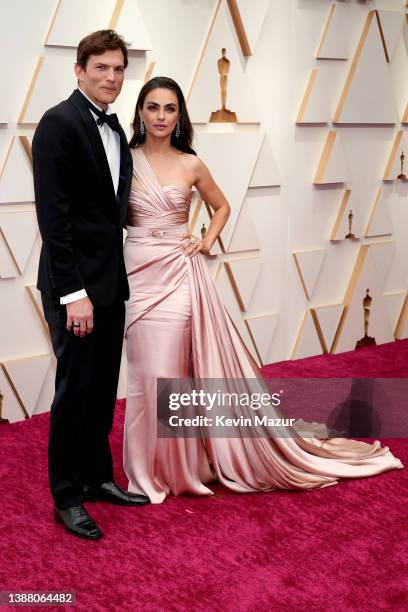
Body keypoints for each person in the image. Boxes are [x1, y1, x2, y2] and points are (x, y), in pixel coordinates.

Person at [123, 76, 403, 504]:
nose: (161, 116)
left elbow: (222, 207)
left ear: (180, 116)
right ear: (140, 112)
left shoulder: (190, 163)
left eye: (170, 109)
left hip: (179, 276)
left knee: (171, 373)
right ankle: (144, 469)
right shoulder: (123, 161)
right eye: (153, 107)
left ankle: (180, 467)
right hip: (138, 273)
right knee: (144, 378)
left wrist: (205, 240)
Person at [32, 30, 149, 541]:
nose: (111, 77)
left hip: (110, 284)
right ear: (78, 70)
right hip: (74, 286)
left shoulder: (117, 129)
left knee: (102, 391)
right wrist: (73, 293)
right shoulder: (59, 124)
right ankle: (67, 495)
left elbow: (110, 214)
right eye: (101, 67)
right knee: (74, 392)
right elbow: (53, 219)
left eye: (119, 69)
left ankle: (98, 477)